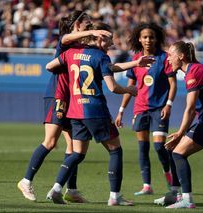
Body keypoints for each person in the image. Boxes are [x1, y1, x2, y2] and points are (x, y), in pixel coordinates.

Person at [17, 10, 111, 203]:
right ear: (77, 24)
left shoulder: (81, 47)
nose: (90, 26)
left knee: (73, 147)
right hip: (57, 96)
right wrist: (91, 34)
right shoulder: (66, 42)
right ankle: (25, 181)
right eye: (86, 23)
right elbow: (66, 37)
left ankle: (72, 190)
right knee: (51, 141)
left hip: (73, 100)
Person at [45, 22, 137, 206]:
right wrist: (129, 89)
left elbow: (49, 66)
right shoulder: (101, 56)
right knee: (115, 150)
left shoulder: (71, 52)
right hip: (95, 109)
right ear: (100, 37)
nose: (112, 41)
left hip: (75, 111)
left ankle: (56, 189)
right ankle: (114, 196)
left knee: (77, 153)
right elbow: (112, 87)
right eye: (110, 37)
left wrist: (135, 63)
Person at [163, 41, 203, 209]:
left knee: (178, 153)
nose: (168, 59)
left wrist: (180, 132)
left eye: (171, 55)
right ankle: (176, 195)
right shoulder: (194, 69)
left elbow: (190, 109)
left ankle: (187, 200)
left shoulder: (194, 72)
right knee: (173, 149)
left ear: (181, 56)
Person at [115, 22, 178, 196]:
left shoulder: (165, 58)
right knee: (143, 148)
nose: (148, 40)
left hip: (159, 109)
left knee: (159, 147)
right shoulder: (135, 59)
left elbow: (173, 85)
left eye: (151, 36)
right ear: (139, 39)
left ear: (157, 38)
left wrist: (169, 104)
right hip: (140, 109)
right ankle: (147, 186)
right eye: (145, 37)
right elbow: (130, 87)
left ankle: (171, 180)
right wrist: (121, 110)